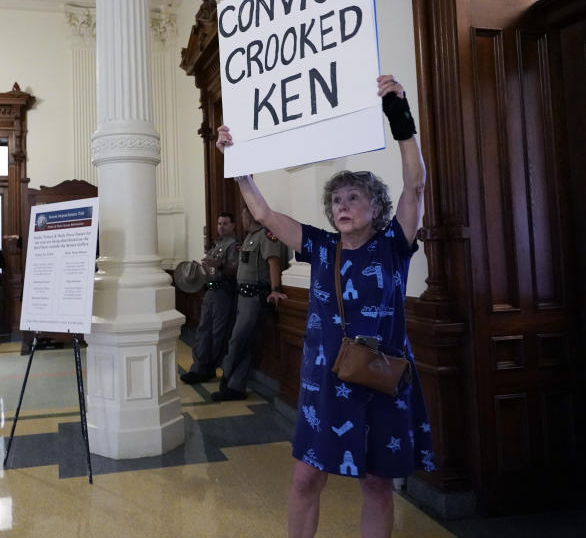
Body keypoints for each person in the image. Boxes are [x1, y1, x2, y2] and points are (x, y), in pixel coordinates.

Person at [216, 75, 435, 538]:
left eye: (354, 198)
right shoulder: (320, 246)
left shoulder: (393, 245)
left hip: (382, 376)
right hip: (327, 381)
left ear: (376, 208)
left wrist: (399, 116)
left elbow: (414, 187)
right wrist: (236, 163)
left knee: (377, 485)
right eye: (336, 200)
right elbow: (263, 214)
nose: (343, 205)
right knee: (305, 477)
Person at [210, 204, 289, 401]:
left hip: (255, 296)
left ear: (251, 217)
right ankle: (235, 386)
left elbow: (273, 262)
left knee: (238, 341)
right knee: (243, 342)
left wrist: (275, 290)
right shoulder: (249, 238)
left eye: (244, 217)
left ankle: (227, 380)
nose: (242, 220)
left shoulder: (266, 235)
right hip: (242, 296)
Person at [180, 212, 240, 384]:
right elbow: (211, 269)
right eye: (219, 223)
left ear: (233, 225)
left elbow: (237, 270)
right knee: (203, 330)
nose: (221, 227)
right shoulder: (216, 245)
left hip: (224, 292)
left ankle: (208, 368)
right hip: (210, 291)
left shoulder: (234, 245)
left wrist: (219, 264)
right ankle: (199, 367)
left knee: (217, 332)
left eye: (225, 224)